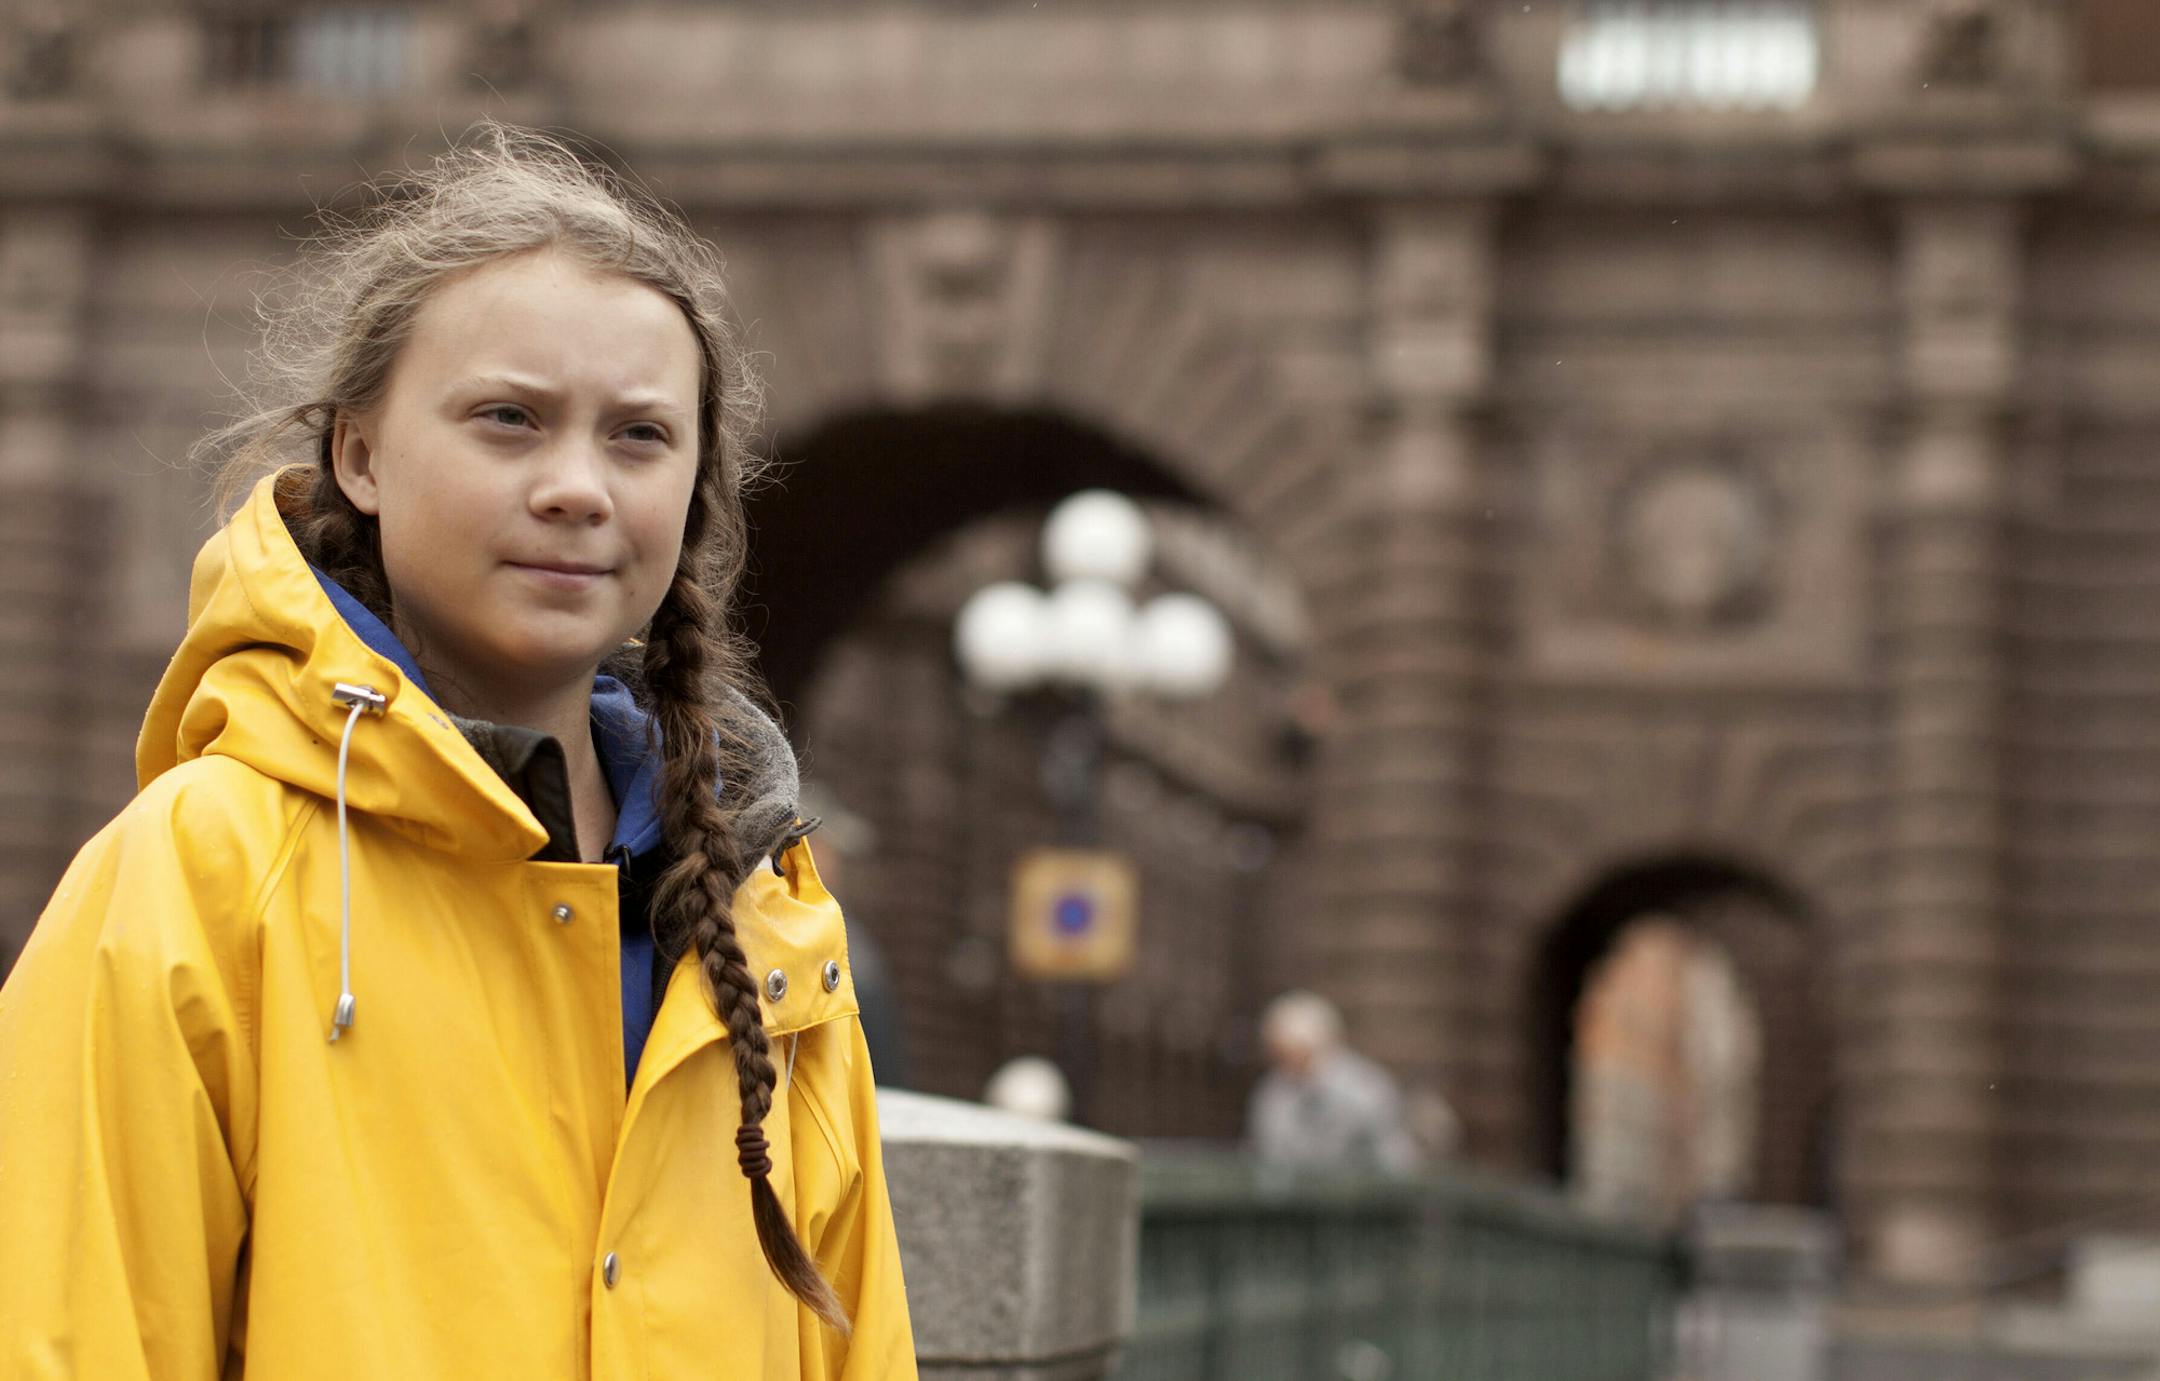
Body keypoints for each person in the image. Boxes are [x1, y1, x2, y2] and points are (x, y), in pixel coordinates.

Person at [0, 124, 915, 1378]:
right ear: (359, 455)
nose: (578, 486)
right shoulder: (197, 873)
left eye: (639, 436)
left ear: (695, 488)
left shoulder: (769, 914)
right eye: (509, 420)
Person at [1246, 989, 1424, 1175]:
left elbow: (1393, 1157)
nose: (1281, 1060)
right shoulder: (1272, 1092)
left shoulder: (1365, 1087)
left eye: (1289, 1050)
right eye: (1276, 1051)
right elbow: (1267, 1154)